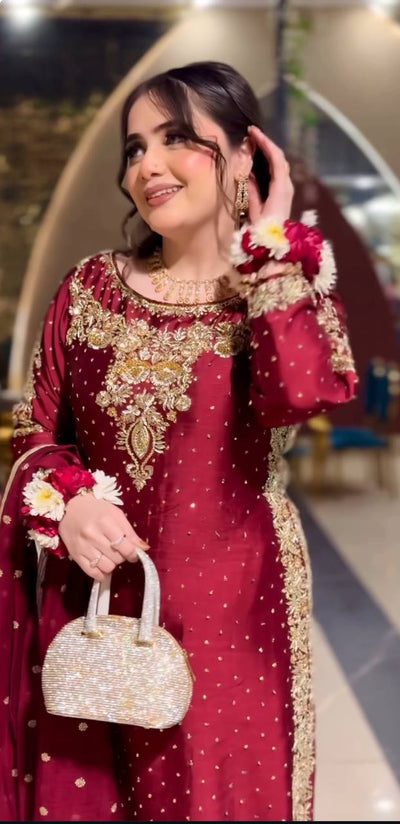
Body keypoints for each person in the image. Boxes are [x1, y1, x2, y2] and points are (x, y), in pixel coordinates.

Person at [0, 61, 357, 822]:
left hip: (232, 618)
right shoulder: (89, 290)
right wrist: (68, 504)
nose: (147, 166)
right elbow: (36, 433)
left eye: (176, 139)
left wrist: (270, 245)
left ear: (243, 155)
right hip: (90, 610)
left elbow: (304, 392)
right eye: (134, 148)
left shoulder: (274, 290)